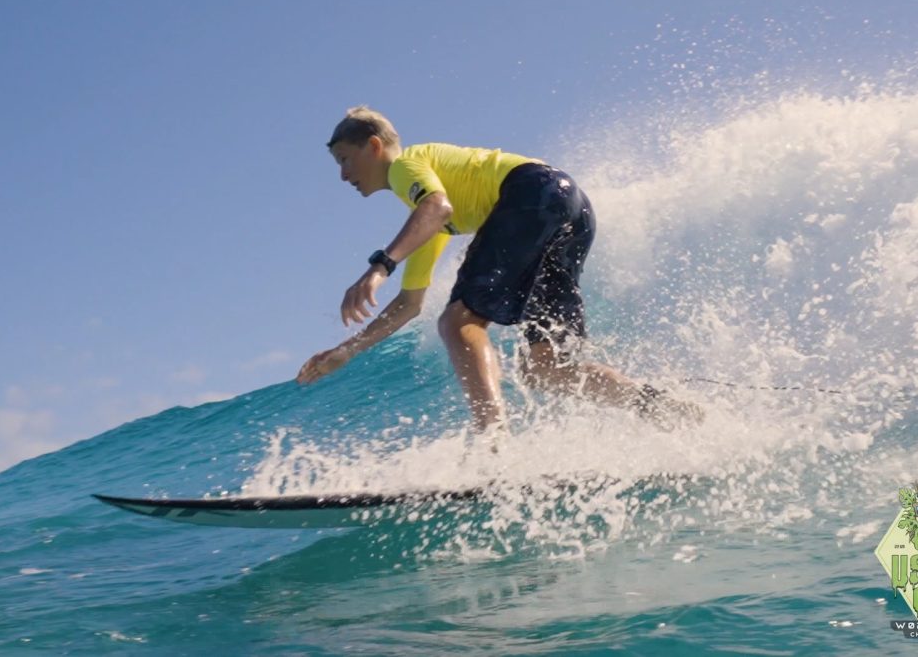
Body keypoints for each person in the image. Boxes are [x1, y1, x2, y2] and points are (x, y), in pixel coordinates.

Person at [296, 106, 701, 436]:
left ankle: (493, 445)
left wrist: (379, 267)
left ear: (373, 146)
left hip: (533, 191)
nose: (343, 175)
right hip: (572, 209)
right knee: (545, 368)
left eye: (344, 160)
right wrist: (347, 351)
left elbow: (436, 206)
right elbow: (409, 303)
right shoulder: (429, 219)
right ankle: (657, 404)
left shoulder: (406, 167)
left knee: (458, 322)